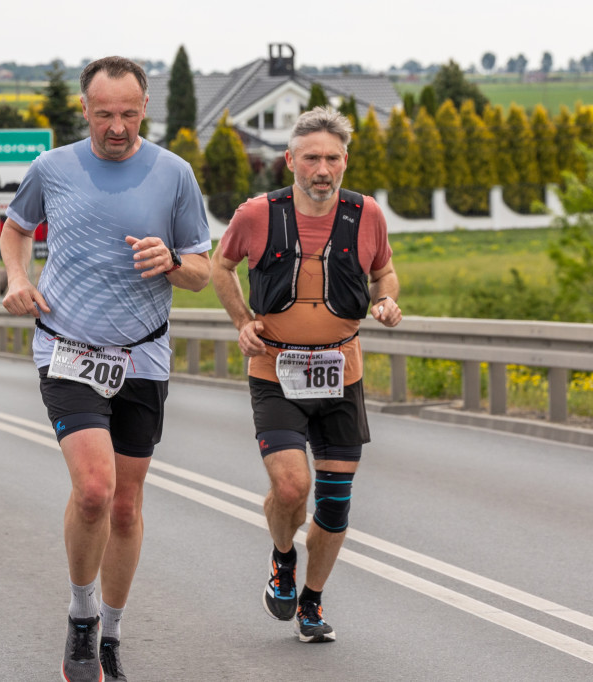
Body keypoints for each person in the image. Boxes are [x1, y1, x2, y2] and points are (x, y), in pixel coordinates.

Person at [0, 56, 211, 681]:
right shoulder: (53, 167)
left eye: (127, 113)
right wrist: (17, 276)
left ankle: (113, 631)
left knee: (126, 505)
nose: (115, 127)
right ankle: (82, 615)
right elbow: (14, 230)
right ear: (84, 111)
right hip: (67, 347)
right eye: (102, 114)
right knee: (95, 489)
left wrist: (172, 260)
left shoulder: (174, 174)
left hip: (142, 354)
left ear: (145, 107)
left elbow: (203, 269)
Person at [211, 106, 403, 643]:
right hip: (275, 370)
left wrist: (386, 300)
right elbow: (220, 267)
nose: (323, 168)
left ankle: (312, 604)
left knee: (335, 504)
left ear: (346, 161)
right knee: (292, 487)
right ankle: (281, 559)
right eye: (312, 157)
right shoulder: (256, 214)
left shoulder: (367, 214)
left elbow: (383, 270)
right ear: (290, 160)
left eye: (333, 158)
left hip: (342, 372)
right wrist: (242, 321)